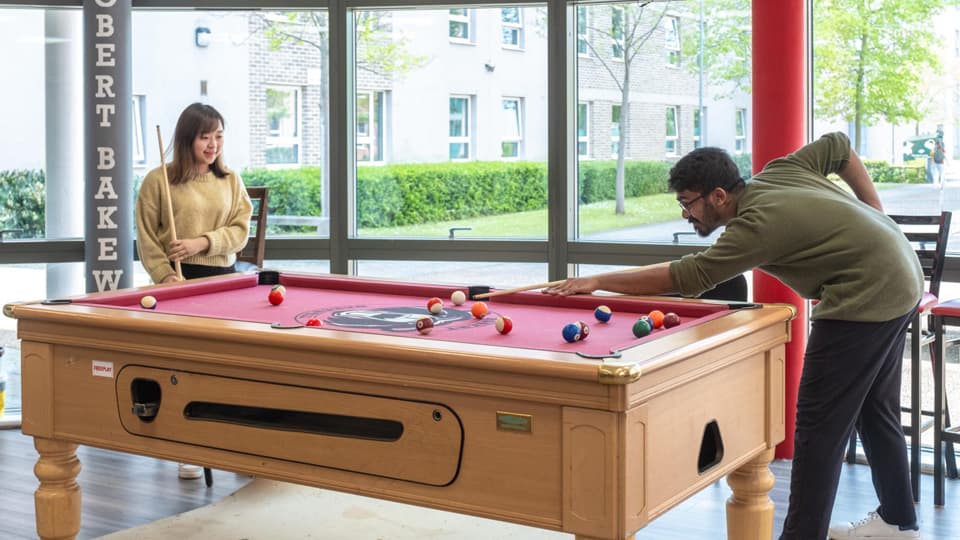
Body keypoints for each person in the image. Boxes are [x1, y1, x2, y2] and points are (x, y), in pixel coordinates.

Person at [543, 132, 922, 540]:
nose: (686, 215)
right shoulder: (779, 172)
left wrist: (598, 280)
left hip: (863, 296)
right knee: (875, 410)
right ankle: (898, 521)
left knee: (818, 427)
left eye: (688, 203)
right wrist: (878, 216)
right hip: (901, 277)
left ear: (719, 195)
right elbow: (838, 145)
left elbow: (689, 275)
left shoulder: (755, 226)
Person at [135, 102, 253, 479]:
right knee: (185, 370)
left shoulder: (230, 180)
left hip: (222, 281)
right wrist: (164, 275)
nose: (213, 144)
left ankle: (238, 447)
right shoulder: (158, 180)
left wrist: (201, 242)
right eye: (205, 136)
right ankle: (188, 447)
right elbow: (147, 237)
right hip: (178, 286)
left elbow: (240, 231)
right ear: (187, 138)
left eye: (219, 136)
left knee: (230, 368)